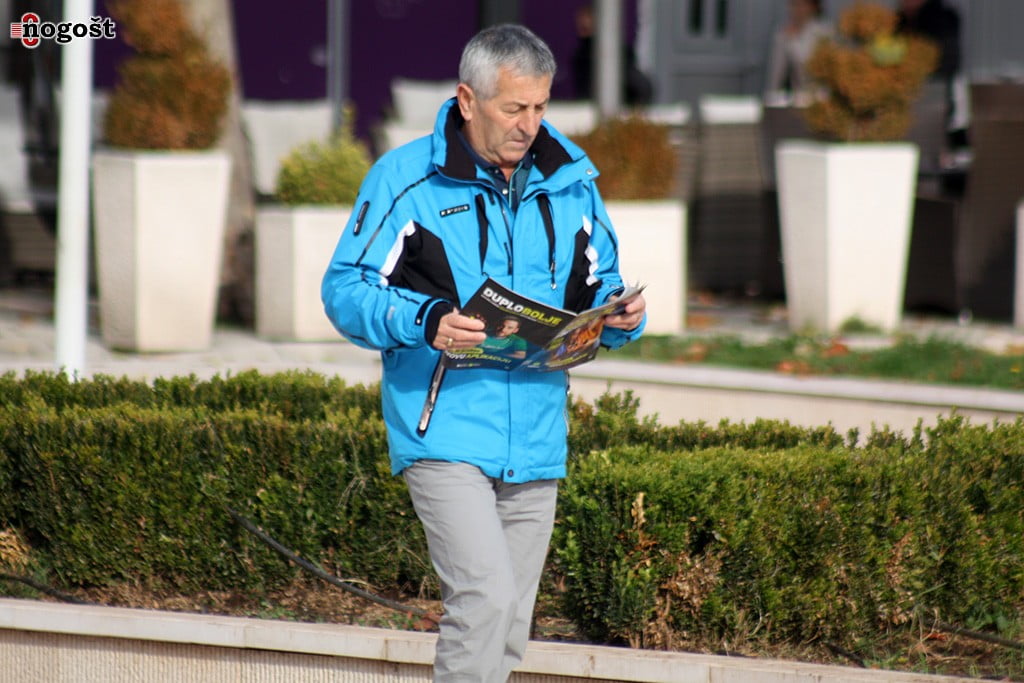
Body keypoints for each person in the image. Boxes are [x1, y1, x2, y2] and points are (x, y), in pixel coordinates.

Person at [321, 23, 646, 682]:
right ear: (467, 100)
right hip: (442, 431)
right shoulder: (405, 179)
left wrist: (619, 317)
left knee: (511, 621)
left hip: (538, 436)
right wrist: (425, 320)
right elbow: (344, 290)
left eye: (540, 106)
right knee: (485, 601)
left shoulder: (572, 179)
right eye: (513, 107)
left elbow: (601, 283)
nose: (530, 125)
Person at [570, 4, 654, 106]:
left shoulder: (618, 53)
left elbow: (639, 85)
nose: (583, 23)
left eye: (587, 19)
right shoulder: (582, 55)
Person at [764, 0, 834, 103]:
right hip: (799, 100)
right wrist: (770, 102)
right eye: (793, 4)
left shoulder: (826, 33)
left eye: (801, 5)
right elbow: (775, 77)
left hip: (824, 99)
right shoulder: (784, 35)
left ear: (813, 7)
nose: (797, 9)